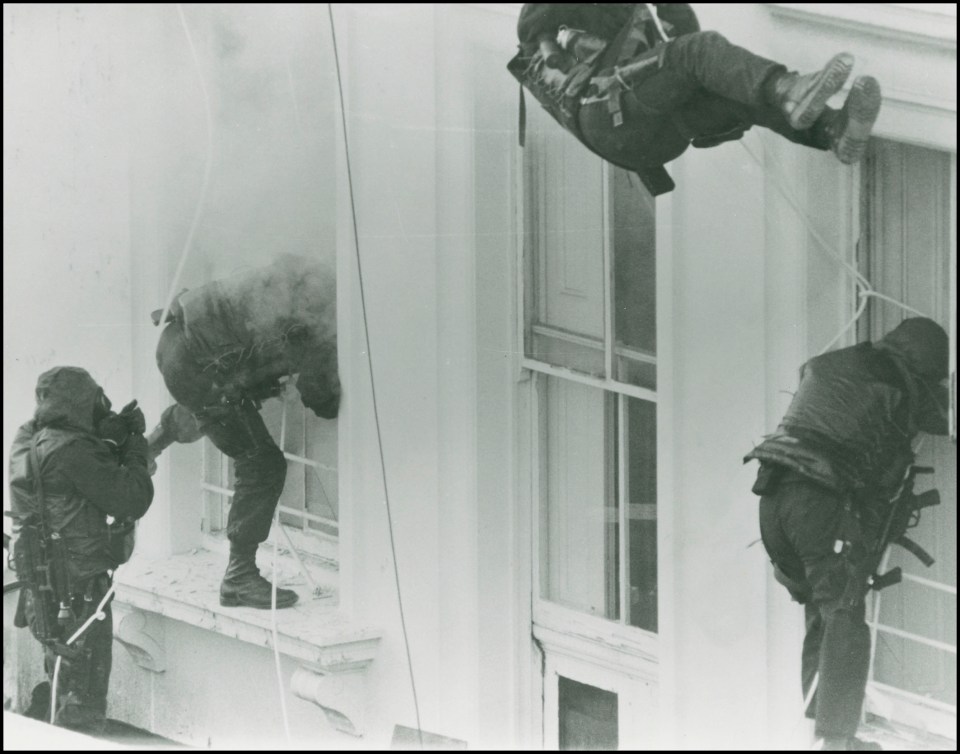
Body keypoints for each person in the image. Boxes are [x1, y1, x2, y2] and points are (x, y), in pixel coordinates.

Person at [744, 318, 949, 751]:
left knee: (822, 609)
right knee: (844, 615)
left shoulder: (839, 361)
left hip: (773, 497)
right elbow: (939, 417)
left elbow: (810, 378)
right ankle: (834, 743)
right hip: (816, 504)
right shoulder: (900, 384)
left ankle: (819, 724)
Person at [508, 3, 882, 195]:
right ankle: (790, 88)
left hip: (653, 134)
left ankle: (834, 132)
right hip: (604, 115)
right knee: (703, 53)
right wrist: (554, 42)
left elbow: (688, 49)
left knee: (731, 84)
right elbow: (532, 33)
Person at [145, 253, 340, 610]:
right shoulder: (320, 314)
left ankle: (150, 445)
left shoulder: (300, 279)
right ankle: (239, 577)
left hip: (177, 347)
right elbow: (322, 399)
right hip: (199, 366)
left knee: (216, 405)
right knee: (262, 463)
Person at [8, 366, 154, 730]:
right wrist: (135, 444)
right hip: (80, 590)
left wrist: (108, 433)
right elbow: (132, 498)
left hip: (44, 586)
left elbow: (67, 468)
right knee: (84, 702)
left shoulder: (27, 438)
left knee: (62, 678)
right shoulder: (75, 451)